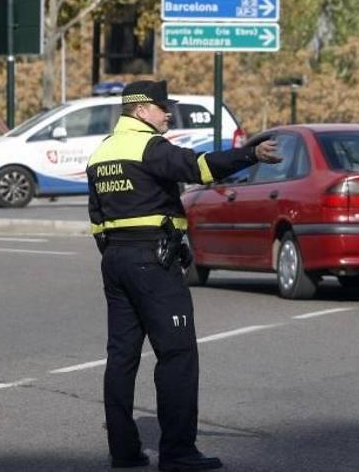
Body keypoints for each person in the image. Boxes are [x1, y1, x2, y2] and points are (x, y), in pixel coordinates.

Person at [87, 80, 281, 471]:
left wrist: (121, 255)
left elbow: (97, 220)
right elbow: (200, 168)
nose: (168, 113)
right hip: (152, 264)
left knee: (121, 357)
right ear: (141, 110)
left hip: (117, 262)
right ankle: (178, 452)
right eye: (162, 107)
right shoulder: (150, 148)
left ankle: (123, 451)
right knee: (177, 355)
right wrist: (249, 154)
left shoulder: (101, 153)